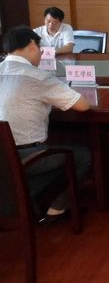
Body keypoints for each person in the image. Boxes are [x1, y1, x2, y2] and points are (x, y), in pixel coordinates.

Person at [0, 26, 91, 223]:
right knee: (82, 155)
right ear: (32, 45)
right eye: (40, 49)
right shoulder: (37, 76)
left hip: (3, 158)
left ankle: (25, 202)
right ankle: (56, 210)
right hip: (25, 156)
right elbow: (83, 105)